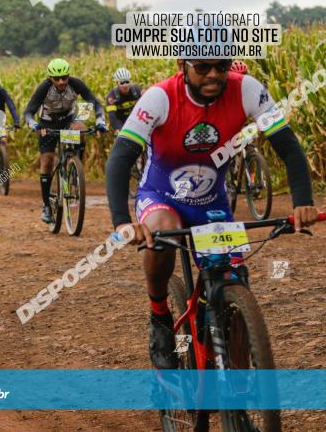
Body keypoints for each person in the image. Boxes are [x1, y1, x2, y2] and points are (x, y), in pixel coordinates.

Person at [105, 48, 318, 370]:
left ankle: (234, 378)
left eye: (221, 67)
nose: (214, 75)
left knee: (234, 279)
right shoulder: (158, 97)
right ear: (182, 65)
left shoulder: (247, 89)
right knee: (160, 235)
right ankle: (160, 316)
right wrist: (123, 222)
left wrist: (303, 202)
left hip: (212, 202)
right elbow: (120, 159)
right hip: (163, 195)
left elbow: (288, 146)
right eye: (203, 67)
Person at [23, 58, 107, 224]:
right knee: (46, 161)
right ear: (50, 78)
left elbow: (95, 103)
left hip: (68, 119)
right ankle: (46, 205)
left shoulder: (75, 84)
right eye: (57, 79)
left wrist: (100, 121)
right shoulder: (44, 88)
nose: (61, 82)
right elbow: (28, 112)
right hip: (47, 123)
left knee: (82, 130)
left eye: (64, 78)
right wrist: (35, 125)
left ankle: (75, 166)